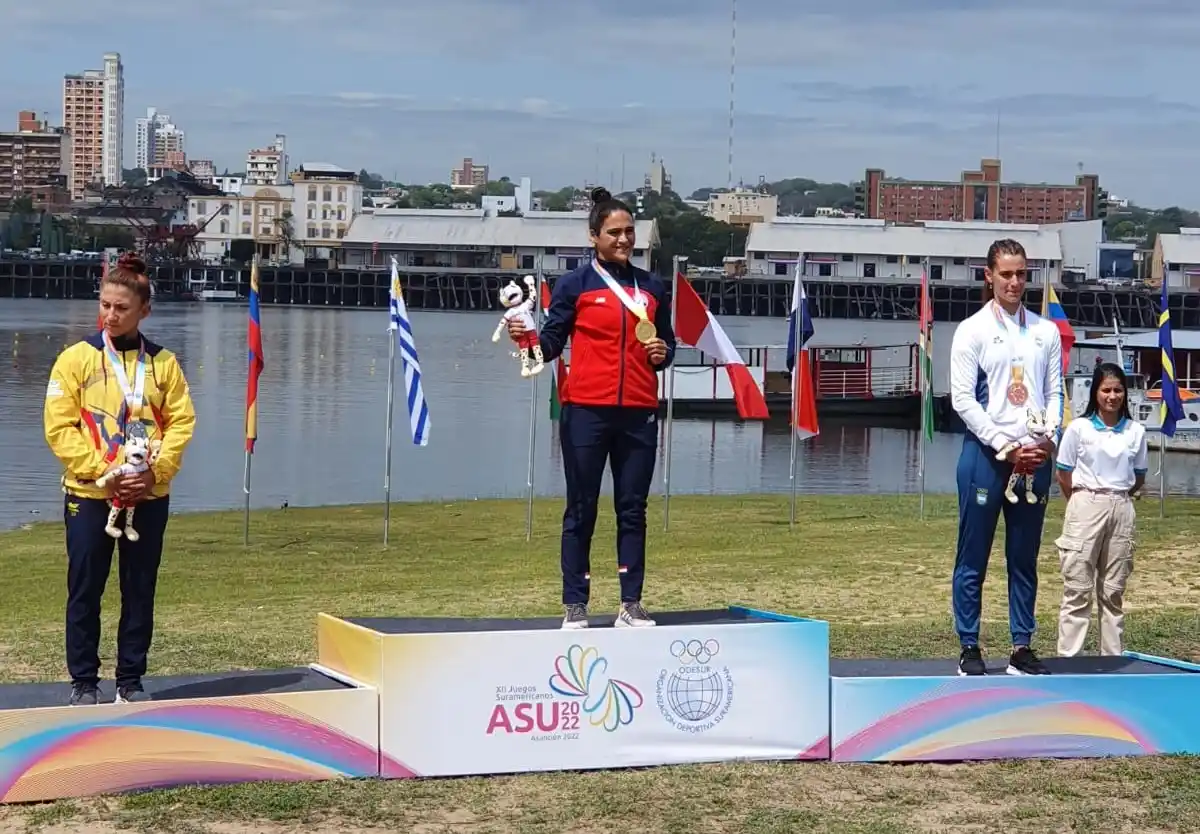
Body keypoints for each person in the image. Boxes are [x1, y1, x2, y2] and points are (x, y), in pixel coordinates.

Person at [507, 187, 676, 630]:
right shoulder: (575, 285)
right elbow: (548, 346)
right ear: (594, 237)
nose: (623, 239)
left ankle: (630, 603)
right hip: (585, 410)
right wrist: (525, 339)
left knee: (633, 508)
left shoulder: (653, 287)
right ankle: (575, 605)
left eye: (629, 231)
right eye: (614, 232)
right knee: (581, 507)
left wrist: (663, 351)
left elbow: (668, 342)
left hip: (638, 409)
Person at [43, 252, 197, 705]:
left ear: (143, 311)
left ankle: (130, 680)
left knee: (139, 587)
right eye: (105, 305)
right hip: (90, 494)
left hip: (148, 494)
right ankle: (84, 682)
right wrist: (104, 473)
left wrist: (153, 473)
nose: (111, 315)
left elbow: (181, 423)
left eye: (122, 307)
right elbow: (59, 426)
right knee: (85, 587)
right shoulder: (75, 359)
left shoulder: (164, 364)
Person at [949, 239, 1062, 676]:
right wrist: (1004, 443)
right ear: (989, 275)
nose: (1015, 282)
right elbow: (962, 399)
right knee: (973, 554)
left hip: (1034, 458)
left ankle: (1021, 646)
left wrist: (1047, 440)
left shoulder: (1044, 332)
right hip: (987, 456)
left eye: (1021, 274)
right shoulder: (972, 330)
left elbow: (1055, 391)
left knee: (1023, 555)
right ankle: (970, 645)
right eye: (1007, 274)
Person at [1054, 362, 1146, 657]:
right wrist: (1080, 501)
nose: (1112, 396)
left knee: (1113, 591)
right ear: (1095, 392)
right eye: (1106, 390)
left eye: (1118, 390)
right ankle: (1070, 660)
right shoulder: (1078, 429)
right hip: (1085, 504)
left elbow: (1139, 475)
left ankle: (1112, 660)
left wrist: (1118, 498)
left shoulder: (1136, 431)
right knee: (1078, 588)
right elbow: (1063, 473)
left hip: (1121, 506)